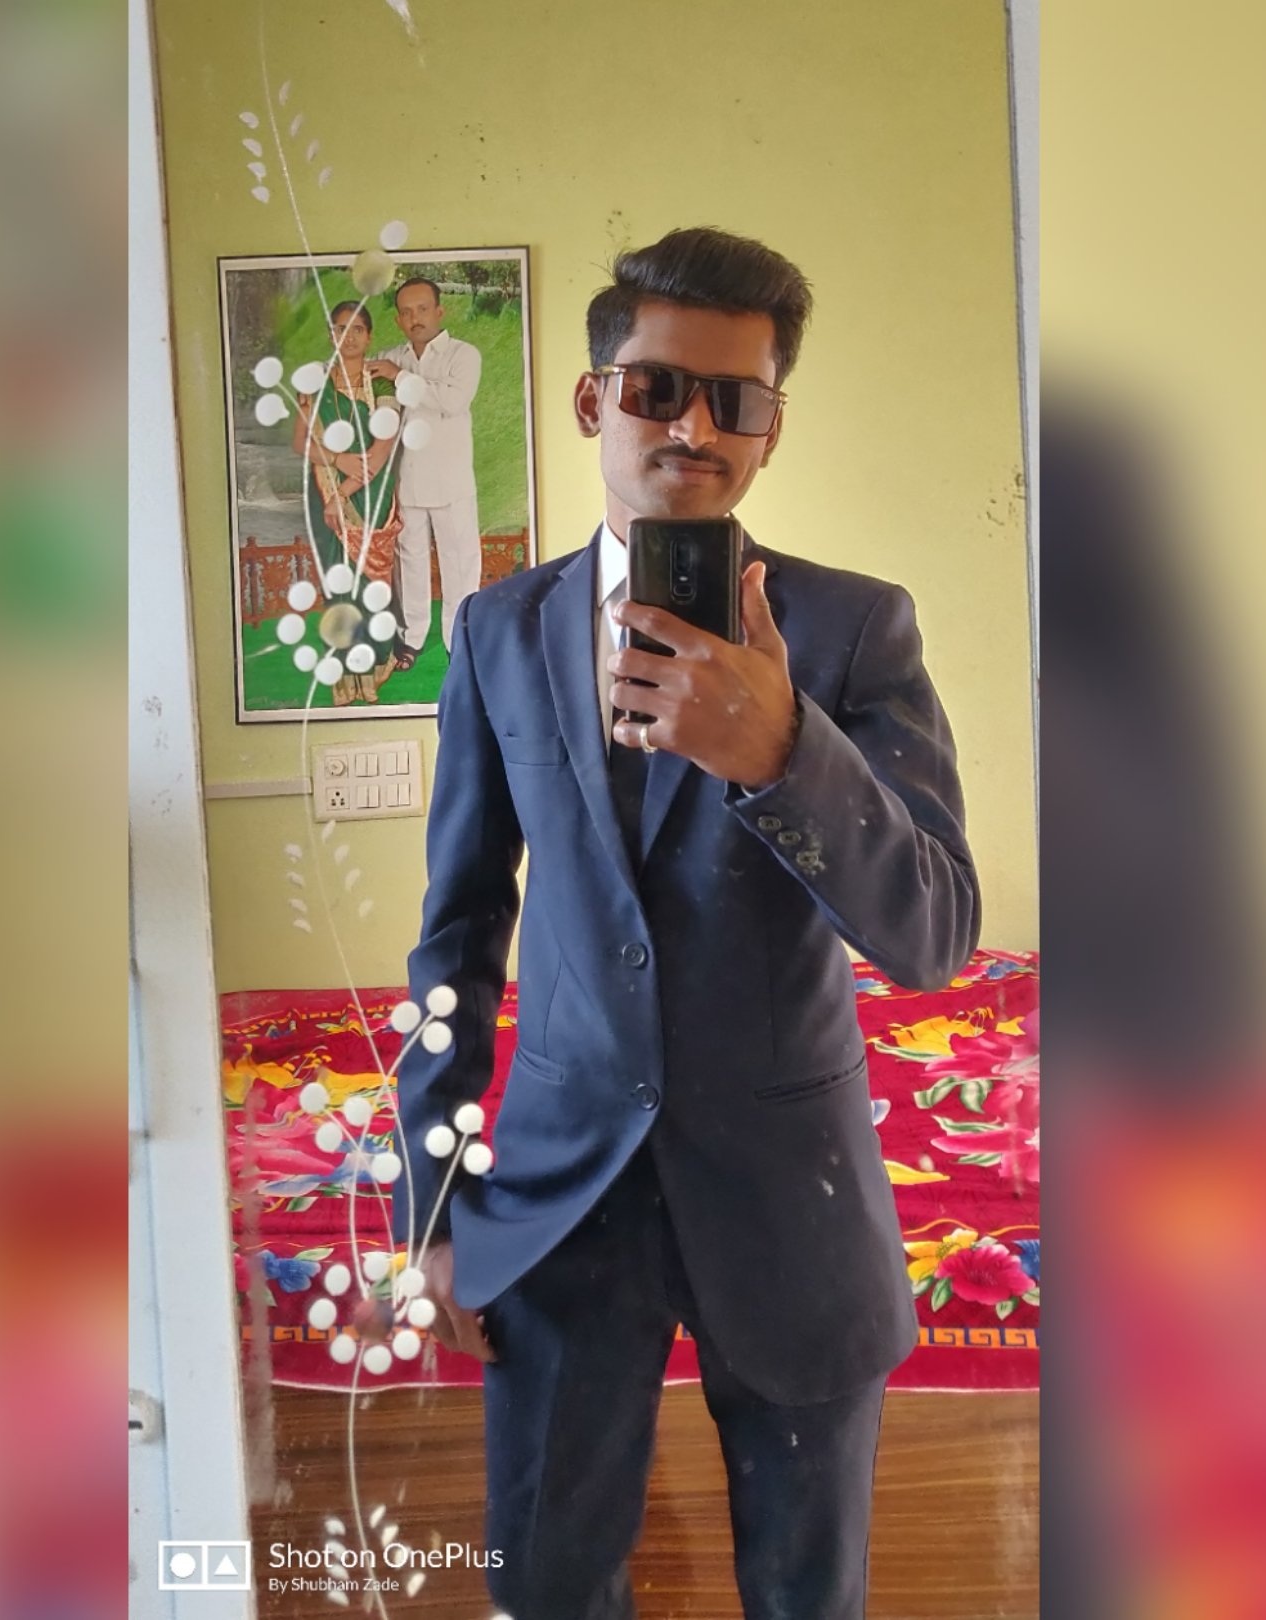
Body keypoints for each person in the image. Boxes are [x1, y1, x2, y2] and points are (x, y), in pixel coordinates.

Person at [390, 229, 981, 1618]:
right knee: (546, 1581)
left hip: (791, 1199)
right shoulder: (498, 632)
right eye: (658, 389)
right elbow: (457, 933)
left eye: (738, 399)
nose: (696, 429)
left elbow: (937, 935)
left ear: (774, 427)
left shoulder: (853, 631)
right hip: (558, 1198)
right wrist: (429, 1203)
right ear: (593, 401)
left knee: (805, 1592)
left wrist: (782, 751)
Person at [292, 300, 401, 705]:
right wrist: (337, 461)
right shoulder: (314, 385)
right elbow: (301, 443)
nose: (348, 337)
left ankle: (372, 666)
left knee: (371, 585)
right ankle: (343, 671)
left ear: (369, 337)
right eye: (340, 329)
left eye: (357, 329)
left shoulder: (383, 384)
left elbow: (380, 453)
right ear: (330, 335)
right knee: (338, 582)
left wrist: (341, 494)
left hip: (371, 496)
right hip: (324, 489)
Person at [369, 277, 482, 665]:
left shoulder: (463, 355)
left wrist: (399, 377)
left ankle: (458, 642)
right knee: (410, 562)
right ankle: (411, 639)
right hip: (408, 480)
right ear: (398, 320)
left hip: (452, 483)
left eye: (421, 309)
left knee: (459, 563)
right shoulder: (390, 357)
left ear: (439, 311)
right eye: (405, 312)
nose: (414, 318)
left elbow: (452, 401)